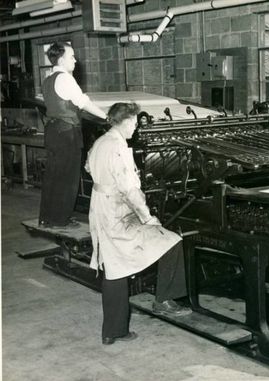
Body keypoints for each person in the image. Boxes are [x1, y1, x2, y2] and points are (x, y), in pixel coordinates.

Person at [85, 102, 190, 345]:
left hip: (101, 207)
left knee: (113, 268)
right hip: (119, 212)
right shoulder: (119, 148)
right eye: (133, 122)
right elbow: (131, 190)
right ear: (122, 122)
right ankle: (163, 301)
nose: (135, 128)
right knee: (172, 241)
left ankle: (113, 331)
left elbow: (89, 166)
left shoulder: (101, 141)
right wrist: (148, 218)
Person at [39, 42, 107, 227]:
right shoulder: (65, 79)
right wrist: (107, 117)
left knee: (53, 175)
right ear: (61, 59)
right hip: (67, 133)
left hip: (53, 131)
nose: (75, 60)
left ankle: (48, 217)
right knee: (68, 177)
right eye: (72, 57)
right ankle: (61, 219)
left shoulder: (48, 79)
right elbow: (83, 102)